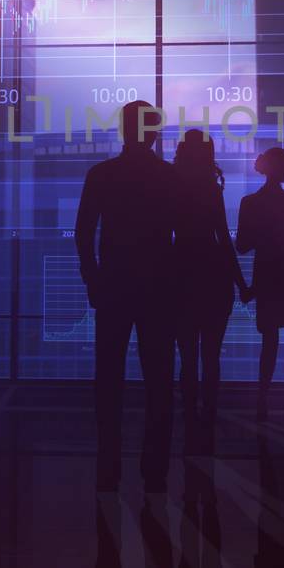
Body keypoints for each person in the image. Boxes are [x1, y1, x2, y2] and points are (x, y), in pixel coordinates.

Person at [75, 100, 180, 493]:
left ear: (124, 130)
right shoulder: (169, 178)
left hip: (115, 285)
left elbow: (85, 232)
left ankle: (109, 464)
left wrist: (94, 280)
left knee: (108, 380)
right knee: (159, 381)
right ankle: (155, 469)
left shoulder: (102, 175)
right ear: (153, 132)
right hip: (158, 288)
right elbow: (180, 236)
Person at [171, 129, 247, 448]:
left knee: (187, 353)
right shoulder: (211, 189)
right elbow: (223, 241)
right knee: (211, 354)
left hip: (181, 273)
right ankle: (209, 409)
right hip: (213, 274)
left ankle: (189, 409)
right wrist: (241, 283)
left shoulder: (171, 187)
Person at [236, 147, 284, 421]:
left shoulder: (250, 203)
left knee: (269, 342)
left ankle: (262, 397)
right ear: (279, 167)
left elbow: (242, 245)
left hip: (267, 277)